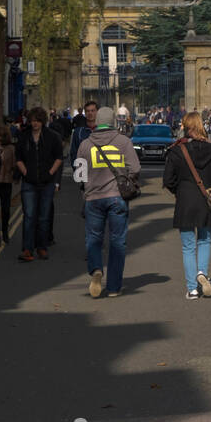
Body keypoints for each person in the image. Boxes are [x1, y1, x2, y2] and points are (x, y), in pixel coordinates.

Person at [77, 106, 140, 298]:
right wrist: (125, 178)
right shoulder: (124, 142)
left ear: (97, 122)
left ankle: (96, 268)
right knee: (118, 241)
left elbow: (79, 175)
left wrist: (89, 185)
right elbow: (135, 168)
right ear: (113, 121)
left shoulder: (85, 144)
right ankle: (113, 287)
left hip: (93, 198)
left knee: (93, 238)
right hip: (117, 197)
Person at [163, 110, 211, 300]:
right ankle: (202, 273)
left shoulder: (176, 150)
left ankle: (192, 289)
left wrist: (178, 192)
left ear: (185, 126)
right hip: (207, 202)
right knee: (205, 240)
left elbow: (168, 179)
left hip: (185, 202)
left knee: (188, 247)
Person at [15, 106, 64, 262]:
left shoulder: (52, 136)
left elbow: (59, 158)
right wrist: (26, 173)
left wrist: (50, 174)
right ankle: (28, 249)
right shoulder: (24, 137)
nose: (35, 124)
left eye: (37, 121)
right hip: (29, 183)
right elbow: (18, 159)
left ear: (42, 121)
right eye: (32, 121)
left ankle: (42, 248)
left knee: (43, 217)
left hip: (46, 183)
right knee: (29, 216)